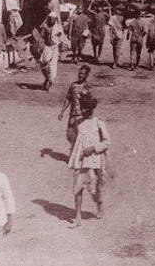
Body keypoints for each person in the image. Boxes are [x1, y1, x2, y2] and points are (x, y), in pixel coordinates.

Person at [68, 94, 110, 228]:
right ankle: (78, 217)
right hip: (81, 160)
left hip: (95, 160)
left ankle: (99, 206)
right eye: (82, 108)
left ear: (91, 108)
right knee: (78, 187)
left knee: (95, 187)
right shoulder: (79, 123)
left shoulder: (99, 123)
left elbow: (107, 142)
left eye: (86, 108)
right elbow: (75, 140)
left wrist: (93, 148)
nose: (83, 111)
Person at [58, 65, 92, 148]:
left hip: (82, 116)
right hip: (73, 114)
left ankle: (77, 155)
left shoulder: (88, 88)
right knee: (70, 134)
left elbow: (91, 103)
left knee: (82, 136)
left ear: (86, 75)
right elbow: (68, 99)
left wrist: (89, 115)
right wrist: (62, 112)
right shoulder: (73, 85)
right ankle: (74, 152)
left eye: (83, 74)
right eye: (80, 73)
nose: (80, 75)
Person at [37, 13, 64, 91]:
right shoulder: (45, 26)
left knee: (52, 66)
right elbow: (41, 37)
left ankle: (49, 81)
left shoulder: (58, 27)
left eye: (54, 19)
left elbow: (61, 39)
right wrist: (39, 46)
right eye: (51, 18)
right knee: (43, 64)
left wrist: (61, 50)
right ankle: (47, 79)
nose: (52, 20)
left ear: (56, 19)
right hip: (47, 47)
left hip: (55, 48)